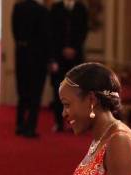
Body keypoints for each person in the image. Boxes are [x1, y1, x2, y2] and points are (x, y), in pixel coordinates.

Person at [12, 0, 50, 138]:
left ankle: (19, 124)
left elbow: (15, 32)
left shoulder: (18, 8)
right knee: (36, 94)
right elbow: (46, 37)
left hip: (21, 55)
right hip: (38, 58)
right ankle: (30, 127)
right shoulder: (43, 11)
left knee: (22, 92)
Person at [49, 0, 88, 131]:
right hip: (59, 57)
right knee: (57, 90)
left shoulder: (81, 9)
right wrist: (60, 51)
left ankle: (74, 123)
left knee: (76, 92)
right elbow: (52, 33)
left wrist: (74, 49)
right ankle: (59, 123)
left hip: (76, 58)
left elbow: (83, 31)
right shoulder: (55, 8)